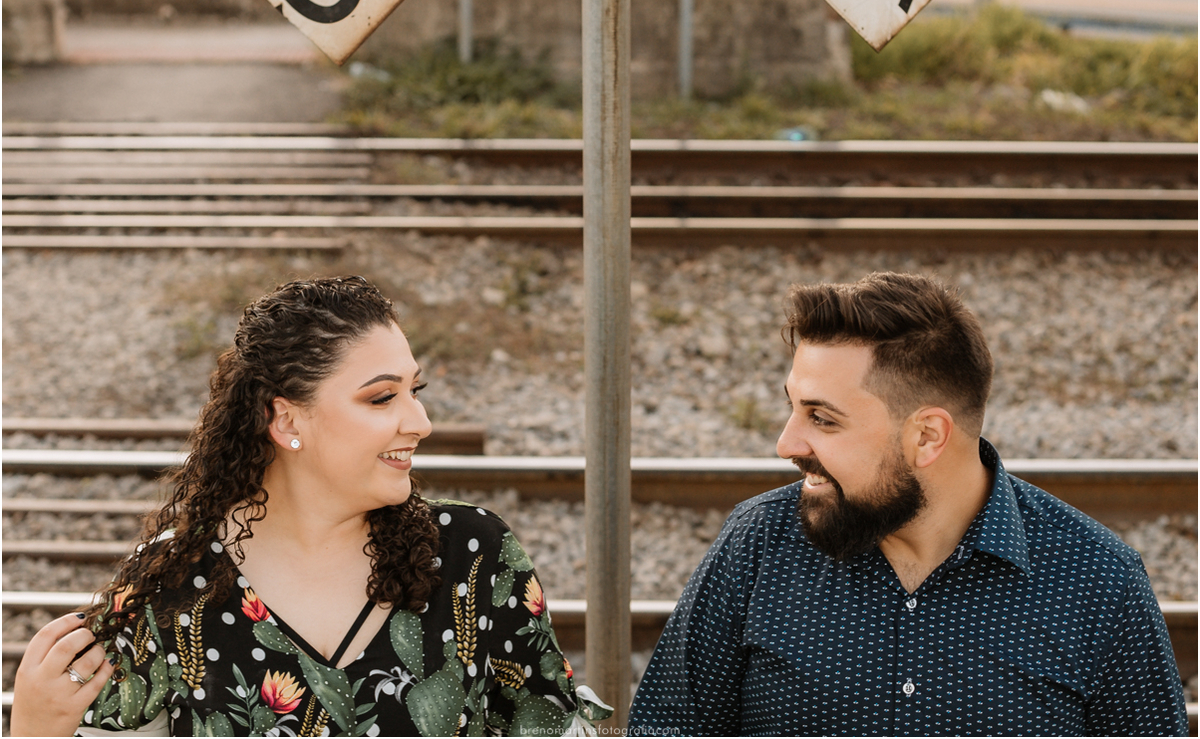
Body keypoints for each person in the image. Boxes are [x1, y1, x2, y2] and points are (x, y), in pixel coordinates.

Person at [12, 275, 609, 737]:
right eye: (381, 398)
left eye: (415, 391)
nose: (420, 422)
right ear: (286, 418)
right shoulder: (175, 585)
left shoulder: (473, 555)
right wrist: (36, 729)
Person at [628, 271, 1187, 736]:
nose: (787, 444)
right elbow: (667, 727)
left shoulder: (1098, 580)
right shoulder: (760, 541)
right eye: (793, 408)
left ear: (927, 437)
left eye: (822, 418)